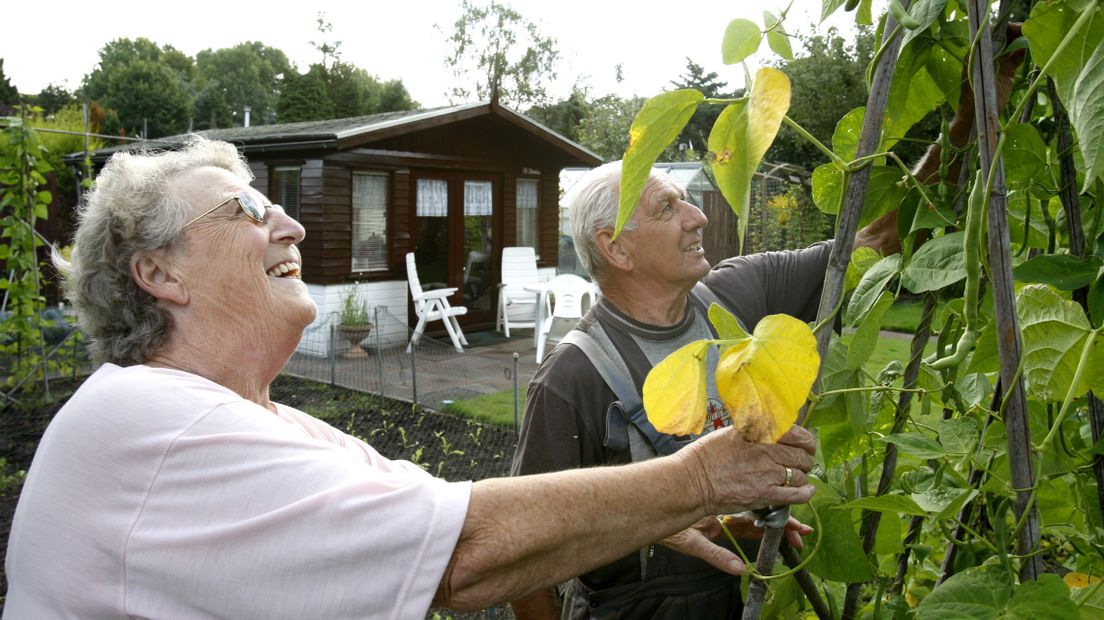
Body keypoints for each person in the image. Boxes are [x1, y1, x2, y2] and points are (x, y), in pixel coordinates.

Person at [2, 136, 818, 619]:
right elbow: (465, 554)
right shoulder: (150, 418)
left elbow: (431, 521)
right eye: (248, 212)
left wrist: (643, 518)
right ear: (160, 274)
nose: (289, 221)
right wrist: (697, 481)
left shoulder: (267, 423)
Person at [509, 28, 1026, 619]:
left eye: (686, 199)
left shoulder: (738, 292)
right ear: (616, 248)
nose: (699, 216)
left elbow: (881, 237)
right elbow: (524, 557)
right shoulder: (575, 376)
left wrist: (970, 114)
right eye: (666, 208)